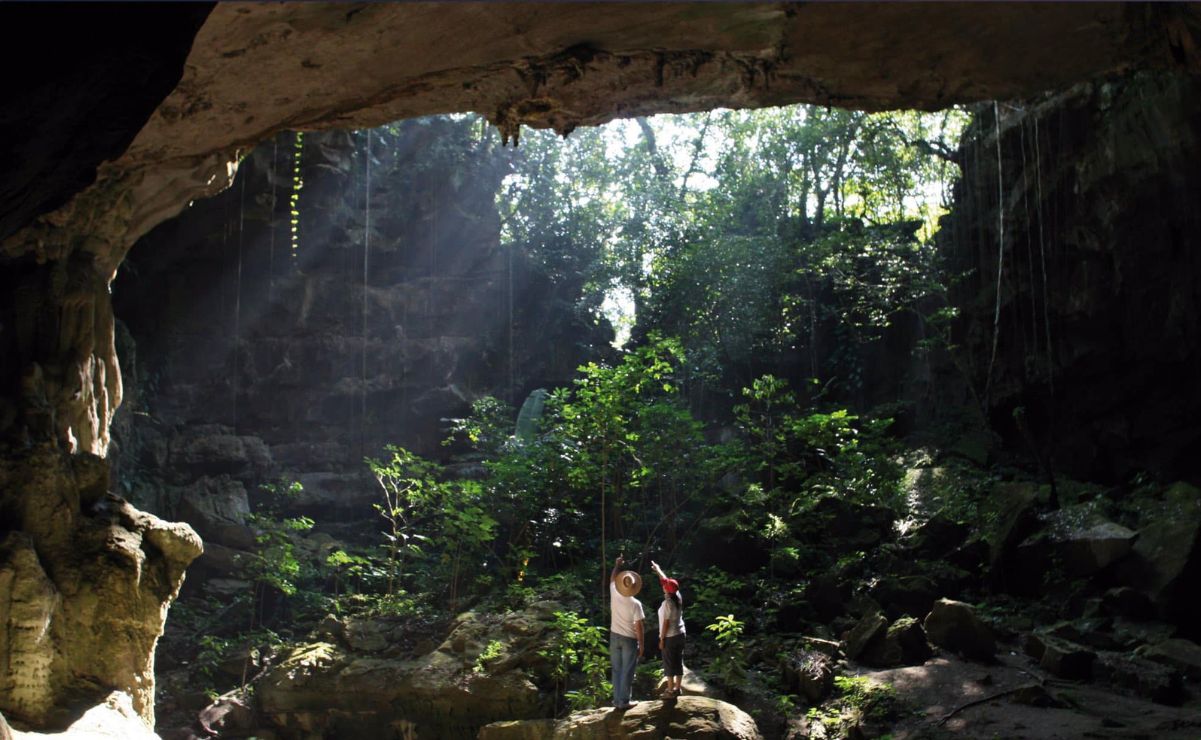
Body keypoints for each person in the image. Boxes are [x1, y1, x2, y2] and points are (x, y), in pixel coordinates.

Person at [609, 554, 645, 710]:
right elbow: (639, 627)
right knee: (627, 670)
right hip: (629, 639)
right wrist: (641, 645)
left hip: (614, 636)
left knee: (617, 669)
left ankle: (617, 700)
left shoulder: (614, 592)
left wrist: (617, 565)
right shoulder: (636, 604)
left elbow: (612, 579)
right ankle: (624, 701)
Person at [651, 559, 686, 698]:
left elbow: (665, 624)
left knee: (669, 663)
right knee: (678, 660)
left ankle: (670, 691)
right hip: (681, 634)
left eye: (665, 585)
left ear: (667, 590)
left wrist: (661, 639)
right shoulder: (677, 596)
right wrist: (658, 569)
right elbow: (666, 580)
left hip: (670, 637)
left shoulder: (667, 604)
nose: (663, 585)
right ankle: (678, 688)